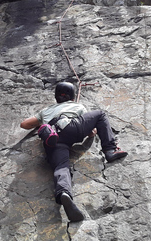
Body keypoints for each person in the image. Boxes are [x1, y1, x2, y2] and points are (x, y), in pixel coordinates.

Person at [20, 82, 128, 222]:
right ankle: (110, 150)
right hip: (72, 127)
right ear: (72, 96)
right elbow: (91, 133)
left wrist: (41, 122)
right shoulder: (78, 106)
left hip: (53, 137)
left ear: (56, 97)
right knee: (100, 114)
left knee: (61, 167)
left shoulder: (46, 110)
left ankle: (64, 192)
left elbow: (24, 124)